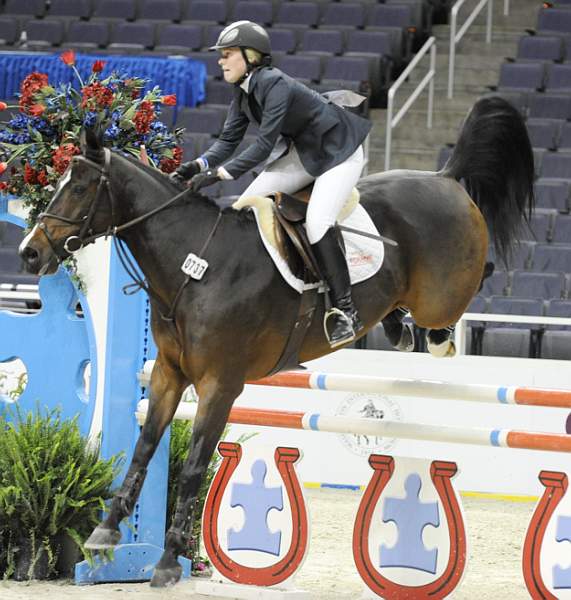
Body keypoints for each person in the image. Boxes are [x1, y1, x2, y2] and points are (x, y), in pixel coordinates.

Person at [172, 20, 372, 348]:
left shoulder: (273, 82)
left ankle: (345, 310)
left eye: (227, 54)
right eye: (221, 55)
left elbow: (263, 145)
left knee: (318, 221)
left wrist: (221, 175)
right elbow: (226, 143)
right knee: (242, 211)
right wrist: (195, 166)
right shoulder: (243, 94)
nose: (221, 61)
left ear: (251, 56)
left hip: (339, 150)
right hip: (306, 153)